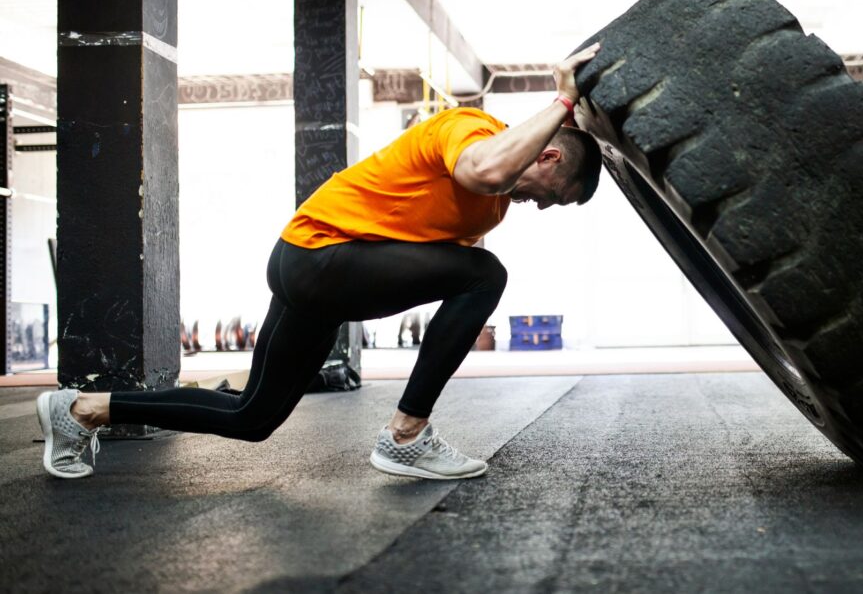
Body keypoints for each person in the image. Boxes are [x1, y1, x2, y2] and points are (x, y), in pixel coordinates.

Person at [36, 43, 603, 481]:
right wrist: (562, 101)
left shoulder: (495, 210)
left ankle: (81, 410)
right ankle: (408, 434)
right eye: (554, 193)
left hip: (318, 271)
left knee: (253, 416)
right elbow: (483, 171)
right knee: (488, 276)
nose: (544, 206)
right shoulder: (470, 129)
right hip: (317, 260)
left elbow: (442, 261)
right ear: (549, 153)